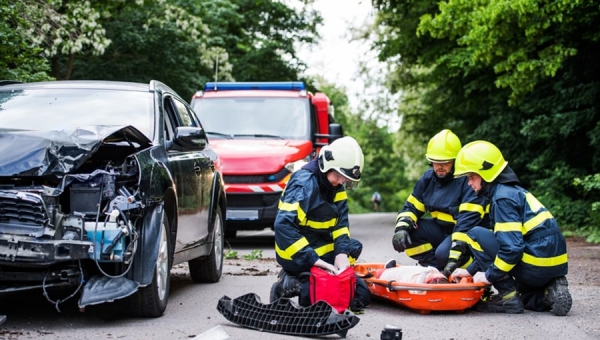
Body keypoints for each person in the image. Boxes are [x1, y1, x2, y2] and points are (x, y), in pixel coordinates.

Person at [450, 140, 572, 315]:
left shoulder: (501, 199)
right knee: (523, 293)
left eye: (471, 177)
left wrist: (488, 276)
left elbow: (512, 249)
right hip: (555, 263)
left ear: (486, 173)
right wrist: (469, 271)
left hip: (534, 262)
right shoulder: (513, 191)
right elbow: (500, 244)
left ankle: (508, 298)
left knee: (473, 234)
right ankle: (548, 293)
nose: (469, 183)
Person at [270, 136, 371, 312]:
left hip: (319, 247)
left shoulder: (336, 185)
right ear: (326, 165)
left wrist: (341, 254)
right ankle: (289, 281)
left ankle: (313, 278)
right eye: (339, 176)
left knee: (360, 296)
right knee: (313, 300)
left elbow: (341, 225)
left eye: (345, 179)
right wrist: (314, 261)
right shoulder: (304, 183)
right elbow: (283, 226)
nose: (341, 182)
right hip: (296, 253)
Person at [392, 129, 488, 274]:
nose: (439, 166)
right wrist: (401, 229)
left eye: (444, 162)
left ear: (456, 160)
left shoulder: (467, 180)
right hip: (441, 230)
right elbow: (411, 207)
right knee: (409, 235)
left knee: (445, 254)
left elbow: (467, 222)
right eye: (435, 162)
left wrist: (455, 253)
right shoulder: (428, 178)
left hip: (466, 235)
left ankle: (473, 271)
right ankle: (437, 270)